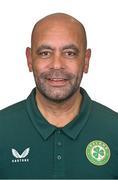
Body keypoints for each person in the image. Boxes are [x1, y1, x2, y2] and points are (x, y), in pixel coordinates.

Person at [0, 12, 118, 179]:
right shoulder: (2, 129)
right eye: (45, 53)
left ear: (86, 60)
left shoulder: (115, 130)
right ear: (29, 59)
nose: (57, 65)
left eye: (69, 53)